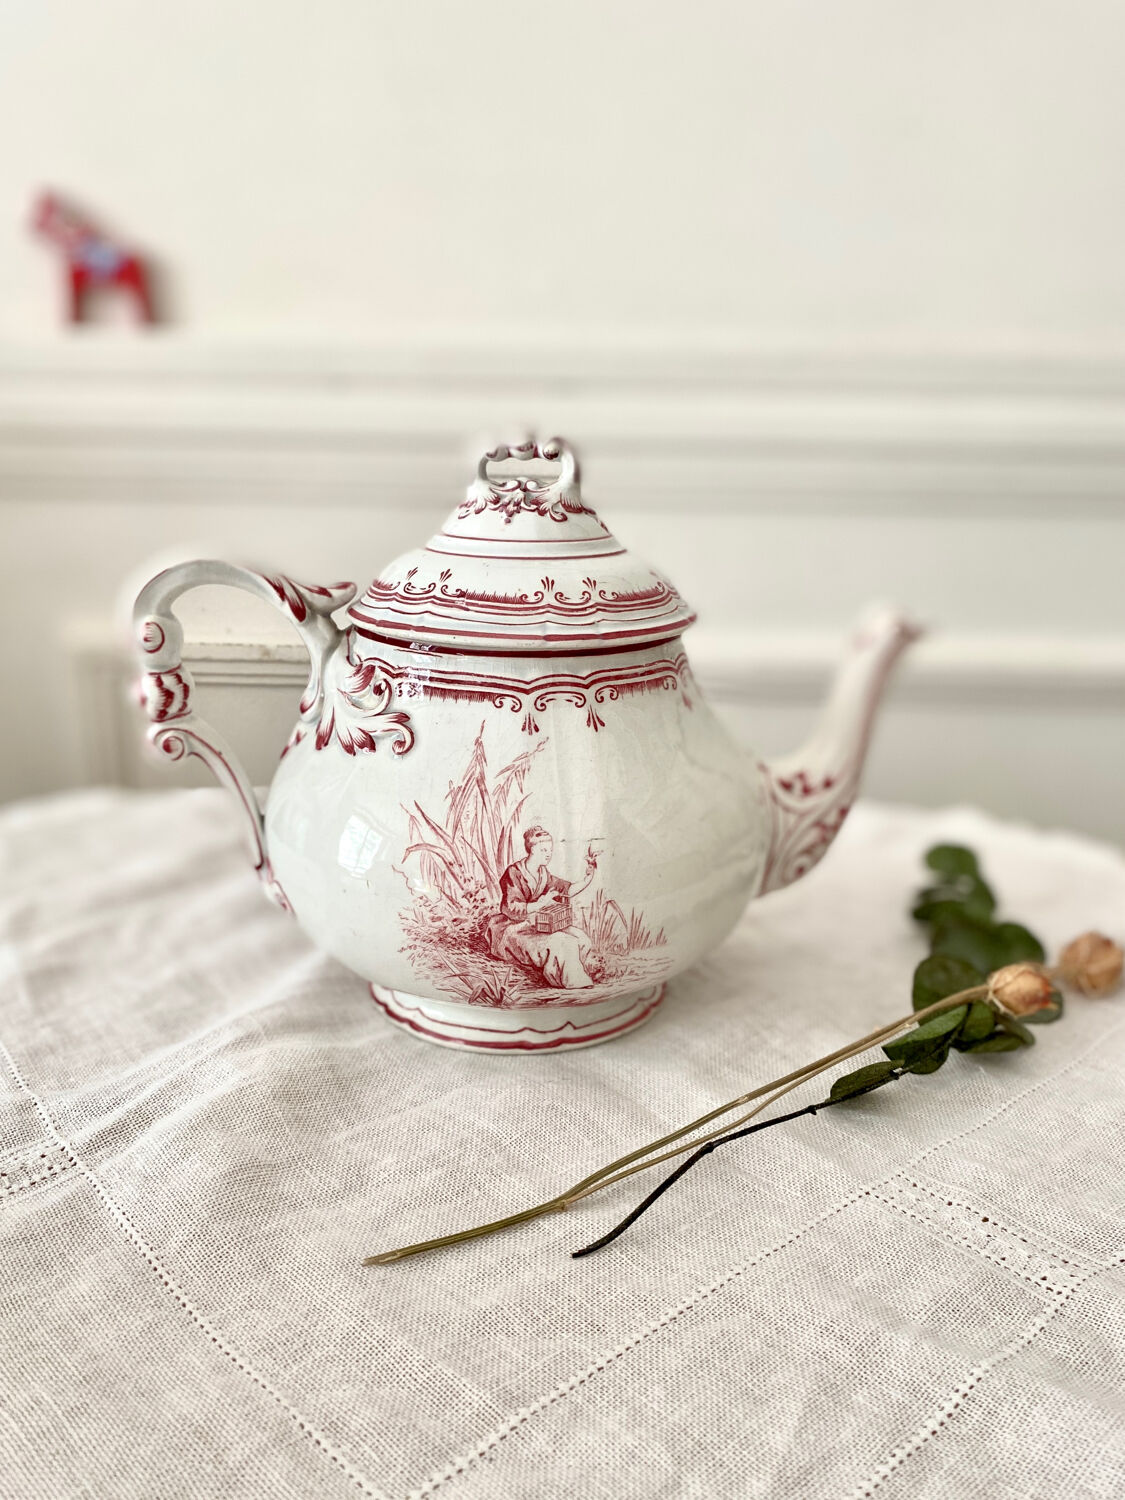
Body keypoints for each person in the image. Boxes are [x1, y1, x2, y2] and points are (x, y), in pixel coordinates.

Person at [486, 826, 604, 989]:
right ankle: (572, 982)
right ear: (531, 849)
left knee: (580, 937)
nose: (548, 854)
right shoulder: (514, 872)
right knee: (561, 941)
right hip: (513, 927)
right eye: (543, 850)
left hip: (537, 922)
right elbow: (511, 908)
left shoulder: (543, 873)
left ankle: (582, 972)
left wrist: (589, 876)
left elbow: (566, 889)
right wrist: (541, 903)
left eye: (550, 849)